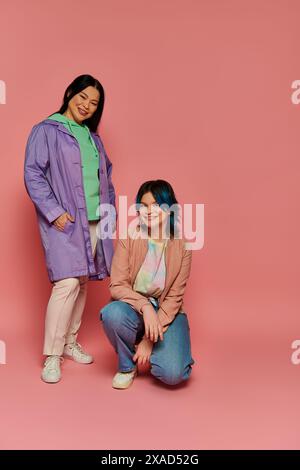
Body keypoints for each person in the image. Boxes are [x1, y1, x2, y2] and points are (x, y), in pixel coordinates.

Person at [24, 74, 116, 383]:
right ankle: (52, 355)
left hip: (94, 219)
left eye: (94, 103)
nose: (87, 105)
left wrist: (108, 212)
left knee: (82, 280)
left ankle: (68, 343)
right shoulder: (47, 131)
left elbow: (106, 176)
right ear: (69, 93)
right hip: (66, 221)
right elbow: (33, 174)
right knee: (66, 284)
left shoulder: (93, 137)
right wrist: (55, 213)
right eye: (83, 97)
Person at [100, 180, 194, 389]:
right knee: (112, 314)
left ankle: (161, 348)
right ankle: (127, 366)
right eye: (144, 205)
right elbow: (117, 285)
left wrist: (148, 342)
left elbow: (174, 297)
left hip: (167, 311)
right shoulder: (130, 237)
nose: (149, 211)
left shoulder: (183, 245)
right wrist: (144, 306)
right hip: (134, 309)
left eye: (156, 205)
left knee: (172, 374)